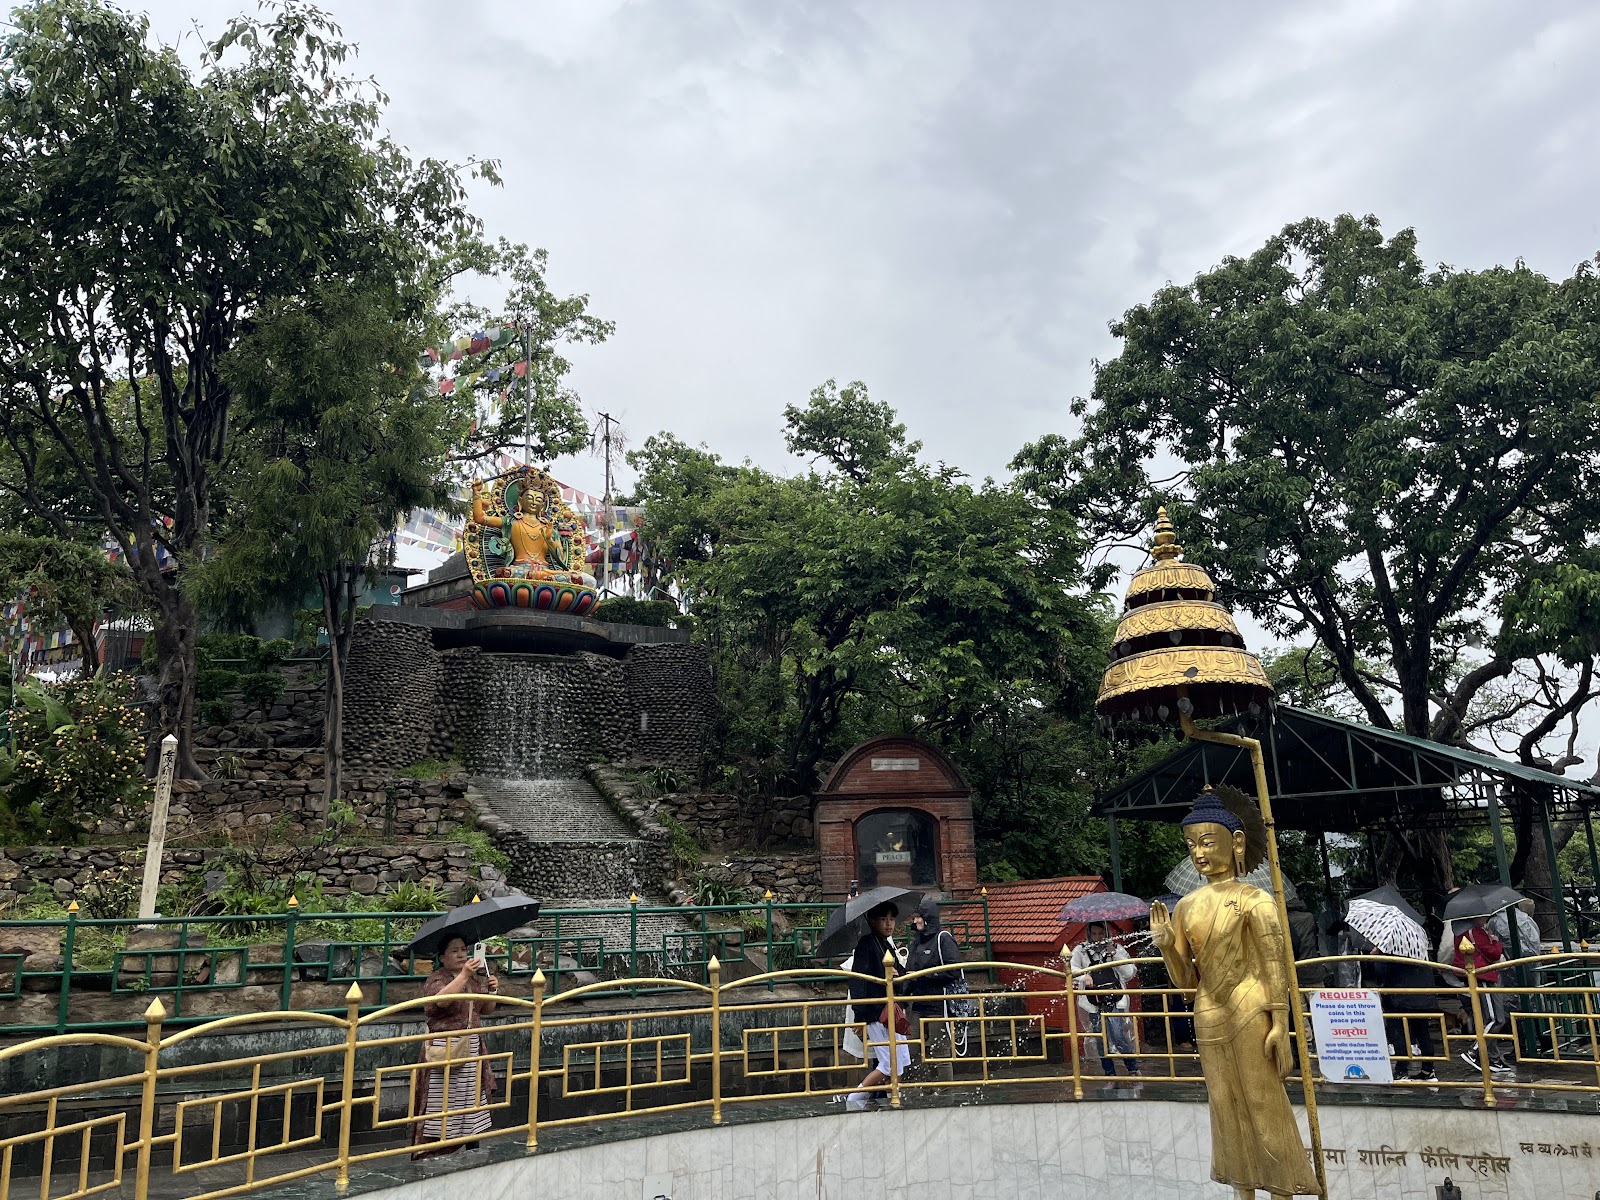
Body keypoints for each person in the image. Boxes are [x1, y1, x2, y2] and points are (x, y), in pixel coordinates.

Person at [1150, 790, 1318, 1198]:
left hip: (1250, 1008)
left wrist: (1282, 1024)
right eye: (1192, 844)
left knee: (1262, 1102)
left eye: (1208, 842)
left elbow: (1275, 964)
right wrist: (1167, 946)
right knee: (1225, 1108)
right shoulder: (1185, 906)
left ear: (1237, 841)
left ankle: (1283, 1190)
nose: (1199, 853)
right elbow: (1185, 983)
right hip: (1208, 1011)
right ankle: (1244, 1192)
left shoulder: (1256, 900)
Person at [410, 936, 500, 1159]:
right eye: (454, 951)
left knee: (471, 1102)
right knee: (442, 1103)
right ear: (442, 958)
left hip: (471, 1046)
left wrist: (492, 991)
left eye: (463, 950)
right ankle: (431, 1152)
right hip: (445, 1048)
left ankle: (471, 1147)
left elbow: (485, 1009)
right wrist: (464, 975)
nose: (461, 955)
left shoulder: (474, 980)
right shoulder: (437, 979)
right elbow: (440, 1001)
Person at [845, 901, 910, 1111]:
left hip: (891, 1010)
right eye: (883, 919)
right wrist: (860, 1017)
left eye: (891, 919)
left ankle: (894, 1097)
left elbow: (900, 974)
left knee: (900, 1060)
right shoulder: (866, 945)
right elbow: (858, 982)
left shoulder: (886, 944)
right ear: (873, 921)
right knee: (889, 1063)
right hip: (876, 1012)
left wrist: (897, 976)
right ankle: (854, 1097)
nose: (889, 924)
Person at [1070, 920, 1139, 1077]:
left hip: (1115, 999)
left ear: (1107, 933)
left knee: (1118, 1034)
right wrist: (1084, 976)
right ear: (1089, 934)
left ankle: (1132, 1068)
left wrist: (1115, 954)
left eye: (1101, 933)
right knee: (1101, 1038)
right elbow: (1071, 968)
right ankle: (1109, 1073)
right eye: (1094, 933)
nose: (1098, 937)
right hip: (1094, 1001)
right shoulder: (1081, 950)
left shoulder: (1117, 948)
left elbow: (1129, 973)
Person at [903, 898, 964, 1062]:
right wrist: (902, 998)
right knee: (911, 1049)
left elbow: (953, 970)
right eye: (915, 917)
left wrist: (923, 976)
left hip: (938, 1004)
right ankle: (917, 1079)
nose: (915, 921)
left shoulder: (943, 938)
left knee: (940, 1051)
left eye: (918, 917)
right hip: (918, 1003)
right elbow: (910, 972)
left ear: (928, 918)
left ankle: (943, 1081)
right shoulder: (916, 942)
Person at [1451, 916, 1513, 1076]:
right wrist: (1495, 941)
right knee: (1495, 1019)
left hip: (1476, 976)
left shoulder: (1460, 932)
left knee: (1488, 1020)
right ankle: (1473, 1051)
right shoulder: (1475, 932)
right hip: (1484, 976)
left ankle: (1493, 1058)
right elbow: (1493, 954)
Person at [1365, 953, 1441, 1081]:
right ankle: (1428, 1070)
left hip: (1398, 997)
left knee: (1398, 1033)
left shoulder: (1392, 950)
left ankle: (1402, 1070)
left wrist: (1375, 957)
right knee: (1423, 1033)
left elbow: (1380, 972)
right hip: (1422, 996)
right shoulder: (1419, 949)